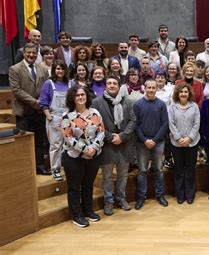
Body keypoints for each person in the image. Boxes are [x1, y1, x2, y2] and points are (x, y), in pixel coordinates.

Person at [91, 76, 136, 216]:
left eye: (114, 83)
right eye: (109, 83)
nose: (111, 85)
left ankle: (121, 198)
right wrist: (111, 137)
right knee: (107, 177)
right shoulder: (96, 102)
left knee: (122, 175)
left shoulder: (128, 102)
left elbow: (133, 121)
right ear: (106, 85)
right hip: (107, 144)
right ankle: (108, 201)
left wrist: (122, 136)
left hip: (124, 144)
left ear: (119, 85)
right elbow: (95, 124)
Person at [61, 84, 104, 227]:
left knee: (88, 184)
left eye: (82, 95)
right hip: (74, 157)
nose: (80, 97)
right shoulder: (67, 116)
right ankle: (76, 215)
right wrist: (86, 149)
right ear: (72, 98)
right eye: (77, 95)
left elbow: (101, 132)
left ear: (87, 96)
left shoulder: (95, 112)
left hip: (94, 155)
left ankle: (88, 210)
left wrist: (94, 148)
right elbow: (68, 137)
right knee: (74, 187)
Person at [9, 43, 50, 175]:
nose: (31, 55)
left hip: (39, 112)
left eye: (34, 53)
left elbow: (47, 87)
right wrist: (33, 102)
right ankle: (25, 169)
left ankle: (39, 166)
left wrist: (43, 102)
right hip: (24, 112)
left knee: (40, 141)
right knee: (24, 141)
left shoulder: (42, 68)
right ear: (24, 53)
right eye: (28, 53)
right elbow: (16, 90)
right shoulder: (15, 69)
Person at [133, 79, 169, 210]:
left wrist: (155, 140)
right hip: (142, 143)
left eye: (153, 88)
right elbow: (135, 125)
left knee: (159, 169)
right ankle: (141, 196)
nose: (151, 90)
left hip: (158, 142)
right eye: (149, 88)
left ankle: (160, 195)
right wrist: (145, 140)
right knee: (142, 170)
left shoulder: (161, 105)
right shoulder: (137, 105)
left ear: (156, 89)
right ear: (145, 88)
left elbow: (165, 123)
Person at [168, 83, 201, 204]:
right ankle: (180, 195)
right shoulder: (172, 107)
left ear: (189, 93)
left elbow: (197, 124)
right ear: (177, 94)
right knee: (179, 169)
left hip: (192, 143)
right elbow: (171, 124)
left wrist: (189, 138)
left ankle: (190, 194)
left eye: (185, 92)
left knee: (190, 169)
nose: (183, 94)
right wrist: (178, 138)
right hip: (176, 144)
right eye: (181, 92)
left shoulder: (194, 106)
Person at [39, 60, 71, 181]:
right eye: (58, 69)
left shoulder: (69, 83)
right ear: (54, 70)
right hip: (54, 117)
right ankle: (56, 170)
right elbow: (43, 101)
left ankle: (68, 168)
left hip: (67, 117)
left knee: (69, 144)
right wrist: (48, 116)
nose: (60, 71)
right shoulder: (49, 83)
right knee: (56, 145)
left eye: (62, 69)